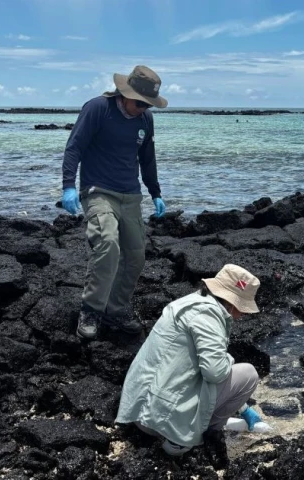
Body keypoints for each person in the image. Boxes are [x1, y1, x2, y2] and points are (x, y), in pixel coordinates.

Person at [116, 264, 264, 470]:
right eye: (243, 306)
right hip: (162, 422)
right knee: (249, 373)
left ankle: (193, 428)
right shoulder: (209, 315)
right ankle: (198, 436)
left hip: (139, 411)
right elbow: (214, 373)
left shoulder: (189, 302)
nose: (245, 314)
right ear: (231, 302)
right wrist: (228, 359)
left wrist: (243, 407)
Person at [61, 65, 169, 340]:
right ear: (125, 93)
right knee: (108, 243)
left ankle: (116, 310)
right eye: (140, 103)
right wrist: (68, 186)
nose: (143, 108)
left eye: (148, 105)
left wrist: (155, 192)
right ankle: (91, 310)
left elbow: (147, 158)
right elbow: (74, 147)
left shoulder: (145, 120)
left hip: (130, 195)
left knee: (135, 256)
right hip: (98, 190)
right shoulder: (98, 108)